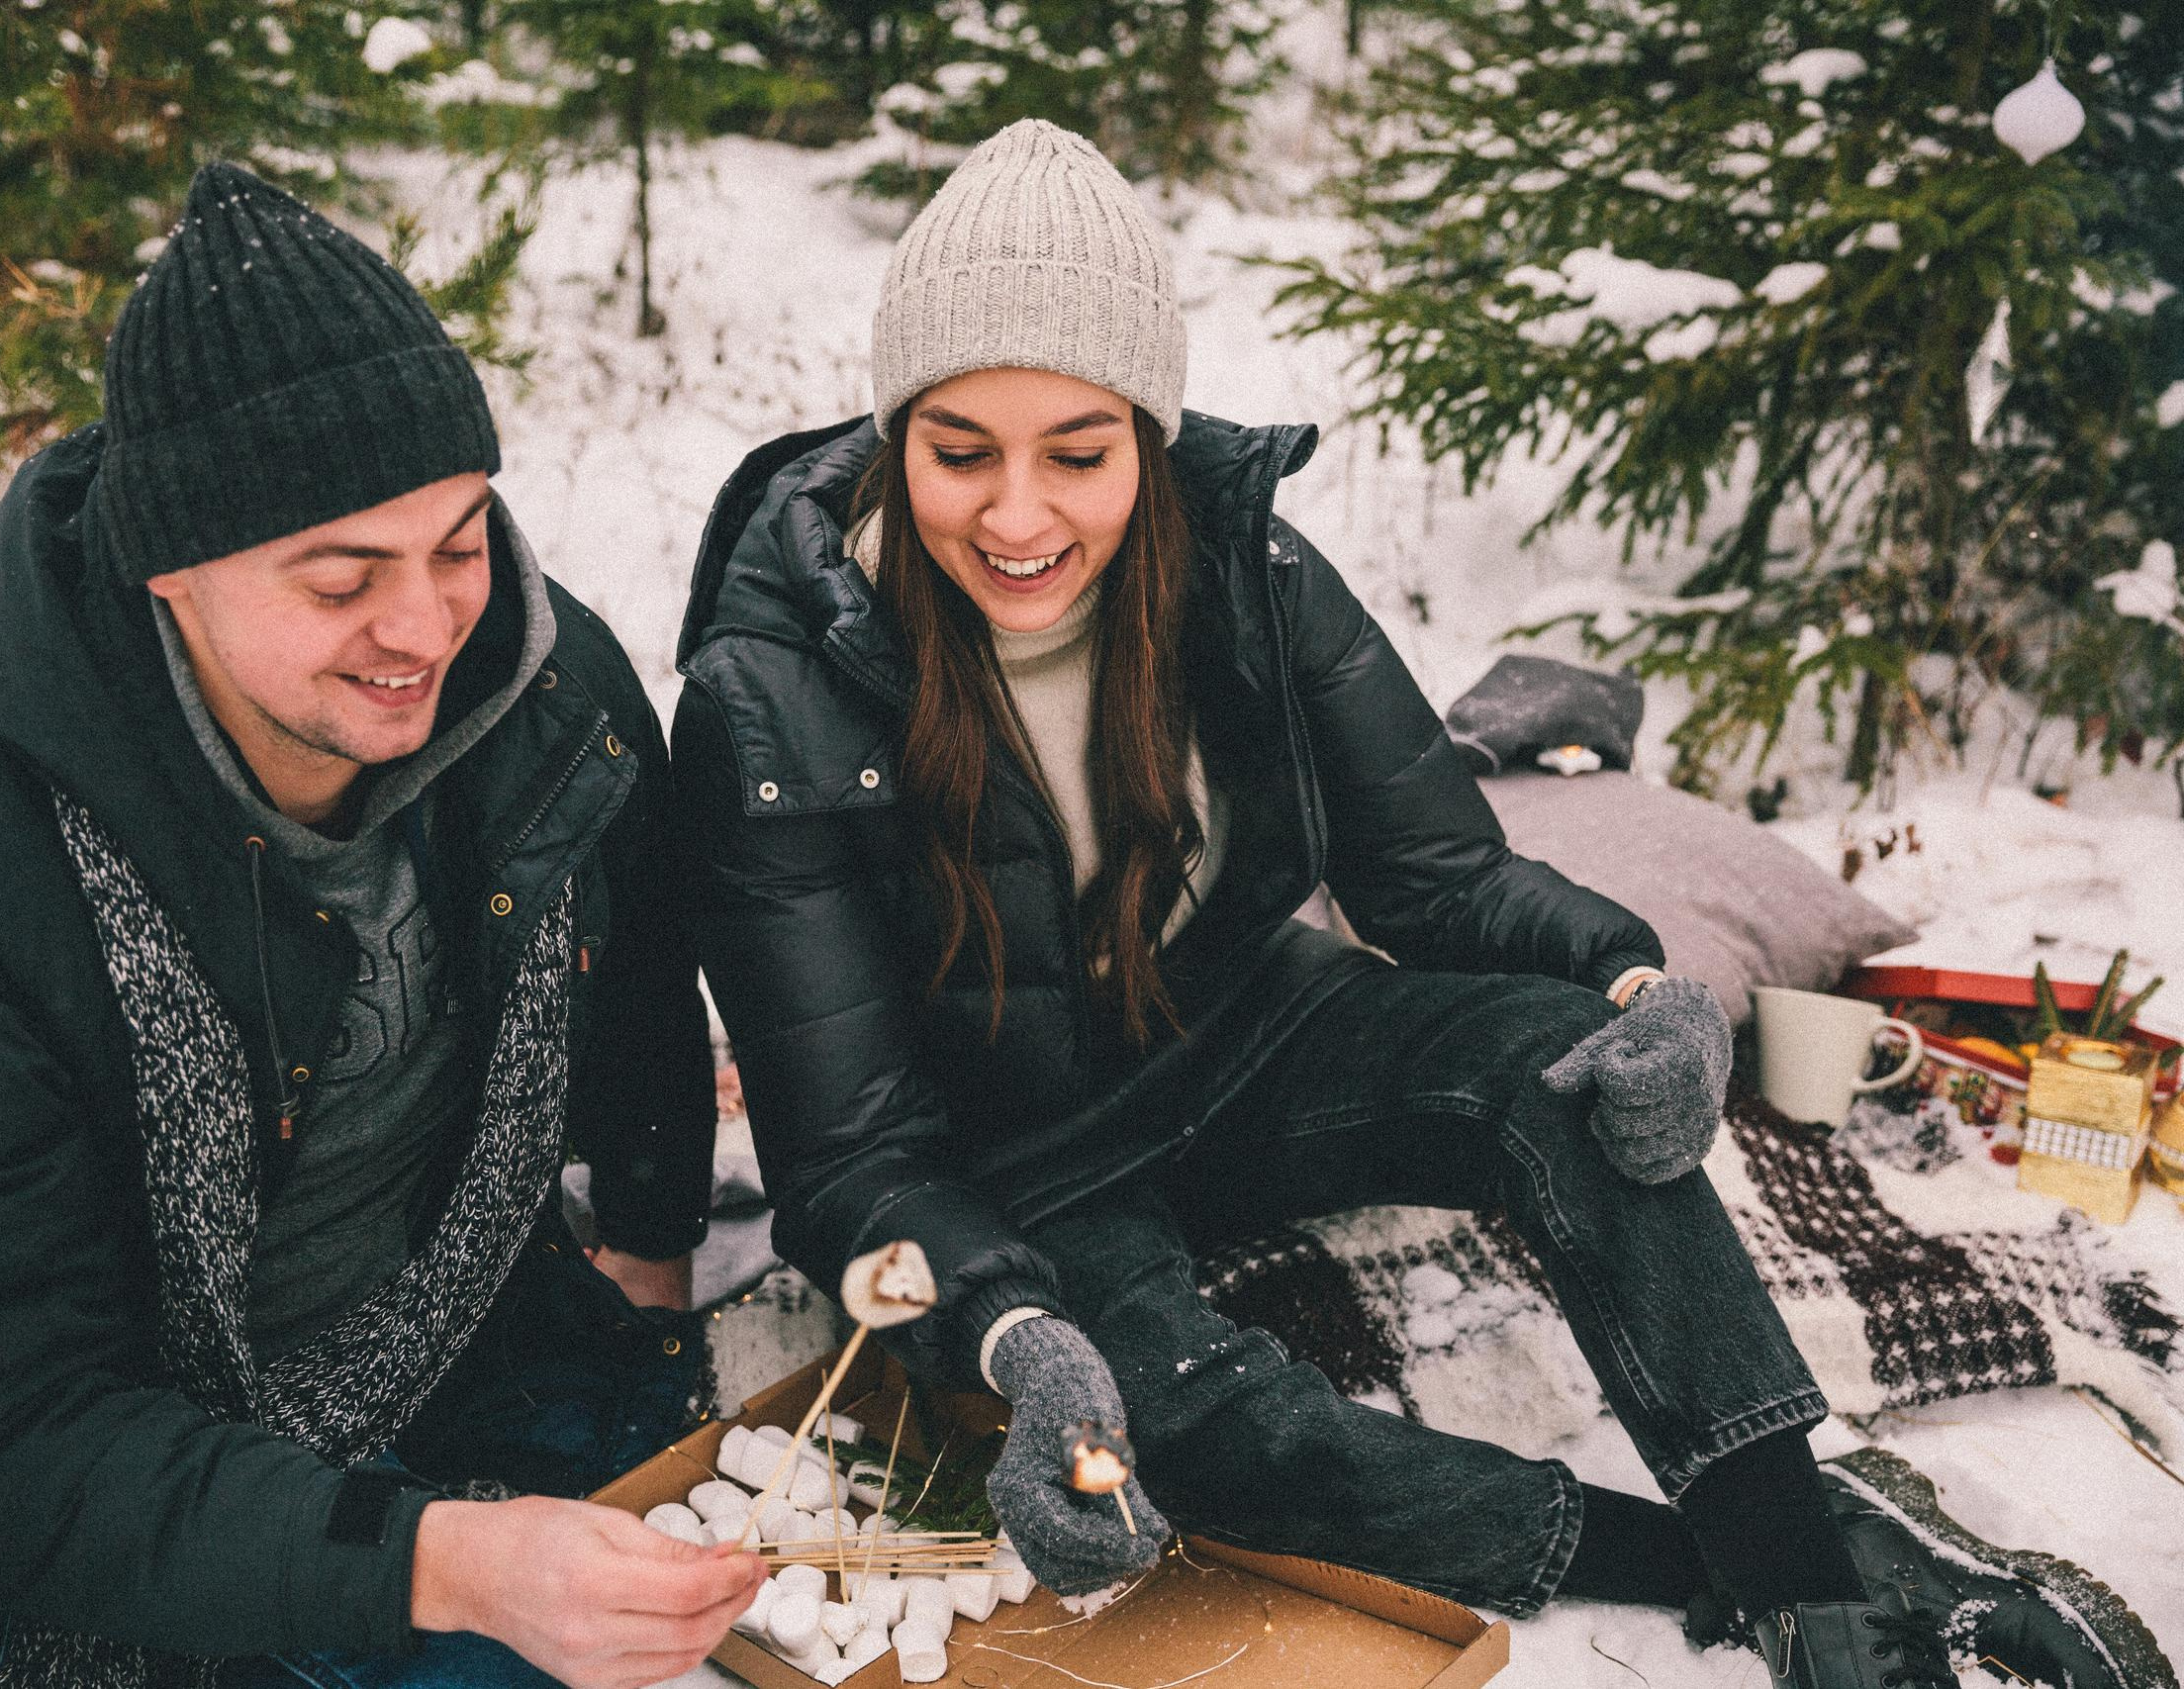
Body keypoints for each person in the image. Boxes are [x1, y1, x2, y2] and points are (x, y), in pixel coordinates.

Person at [670, 120, 2130, 1689]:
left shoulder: (1246, 572)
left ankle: (1806, 1581)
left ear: (1149, 442)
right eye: (962, 452)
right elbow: (848, 1163)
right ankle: (1704, 1561)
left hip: (1251, 1031)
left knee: (1581, 1076)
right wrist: (1012, 1336)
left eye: (1077, 453)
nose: (1018, 516)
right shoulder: (770, 703)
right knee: (1180, 1428)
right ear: (899, 439)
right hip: (1019, 1167)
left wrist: (1634, 988)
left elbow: (1437, 875)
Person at [0, 162, 762, 1689]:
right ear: (170, 570)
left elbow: (632, 978)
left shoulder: (546, 699)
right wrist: (433, 1562)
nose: (430, 623)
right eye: (341, 579)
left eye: (455, 540)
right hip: (49, 1427)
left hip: (436, 1385)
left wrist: (648, 1258)